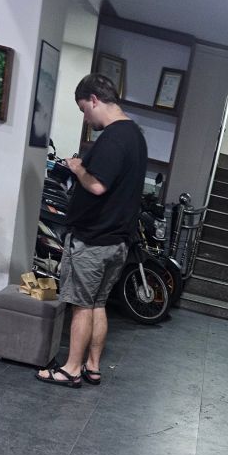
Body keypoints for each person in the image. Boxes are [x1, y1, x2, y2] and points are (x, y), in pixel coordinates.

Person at [36, 73, 147, 388]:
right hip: (118, 240)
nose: (86, 118)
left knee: (82, 305)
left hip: (94, 239)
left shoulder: (113, 137)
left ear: (94, 100)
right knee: (98, 303)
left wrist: (77, 168)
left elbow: (97, 186)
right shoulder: (136, 136)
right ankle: (93, 366)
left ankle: (71, 369)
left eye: (84, 109)